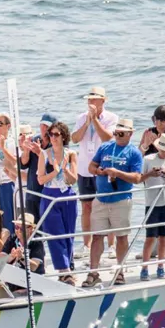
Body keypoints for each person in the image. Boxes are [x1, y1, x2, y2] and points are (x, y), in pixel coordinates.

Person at [85, 117, 143, 287]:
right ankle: (93, 272)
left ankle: (120, 271)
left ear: (130, 134)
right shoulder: (105, 147)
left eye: (121, 133)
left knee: (121, 237)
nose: (117, 135)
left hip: (121, 200)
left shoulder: (134, 153)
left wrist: (117, 173)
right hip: (101, 198)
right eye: (116, 132)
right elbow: (91, 167)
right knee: (97, 237)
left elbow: (137, 178)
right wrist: (99, 171)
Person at [73, 86, 118, 253]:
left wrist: (95, 120)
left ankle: (111, 245)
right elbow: (74, 138)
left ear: (103, 100)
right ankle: (87, 244)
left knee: (108, 206)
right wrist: (87, 122)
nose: (90, 101)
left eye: (93, 98)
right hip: (84, 169)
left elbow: (107, 137)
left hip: (103, 169)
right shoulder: (81, 117)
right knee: (86, 207)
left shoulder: (112, 117)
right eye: (89, 99)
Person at [36, 121, 80, 283]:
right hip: (50, 195)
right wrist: (54, 172)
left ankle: (67, 268)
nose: (53, 138)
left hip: (67, 195)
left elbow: (73, 180)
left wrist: (65, 169)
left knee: (68, 233)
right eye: (50, 134)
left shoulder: (71, 154)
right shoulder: (44, 154)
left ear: (63, 136)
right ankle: (64, 270)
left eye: (56, 134)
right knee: (55, 234)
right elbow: (40, 180)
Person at [139, 134, 165, 280]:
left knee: (164, 237)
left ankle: (161, 267)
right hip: (152, 203)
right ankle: (144, 268)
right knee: (150, 237)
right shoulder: (148, 159)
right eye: (164, 149)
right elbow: (139, 179)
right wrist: (151, 174)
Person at [18, 114, 56, 221]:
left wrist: (39, 152)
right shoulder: (35, 140)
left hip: (48, 194)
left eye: (47, 126)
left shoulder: (57, 143)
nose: (44, 129)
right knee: (32, 226)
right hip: (32, 193)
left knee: (48, 226)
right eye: (42, 125)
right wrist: (26, 150)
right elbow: (23, 164)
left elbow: (54, 166)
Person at [0, 212, 46, 293]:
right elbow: (1, 259)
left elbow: (34, 267)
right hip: (14, 282)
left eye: (22, 228)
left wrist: (22, 257)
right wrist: (11, 256)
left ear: (31, 228)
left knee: (17, 294)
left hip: (33, 284)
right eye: (17, 227)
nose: (19, 230)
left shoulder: (37, 242)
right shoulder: (12, 238)